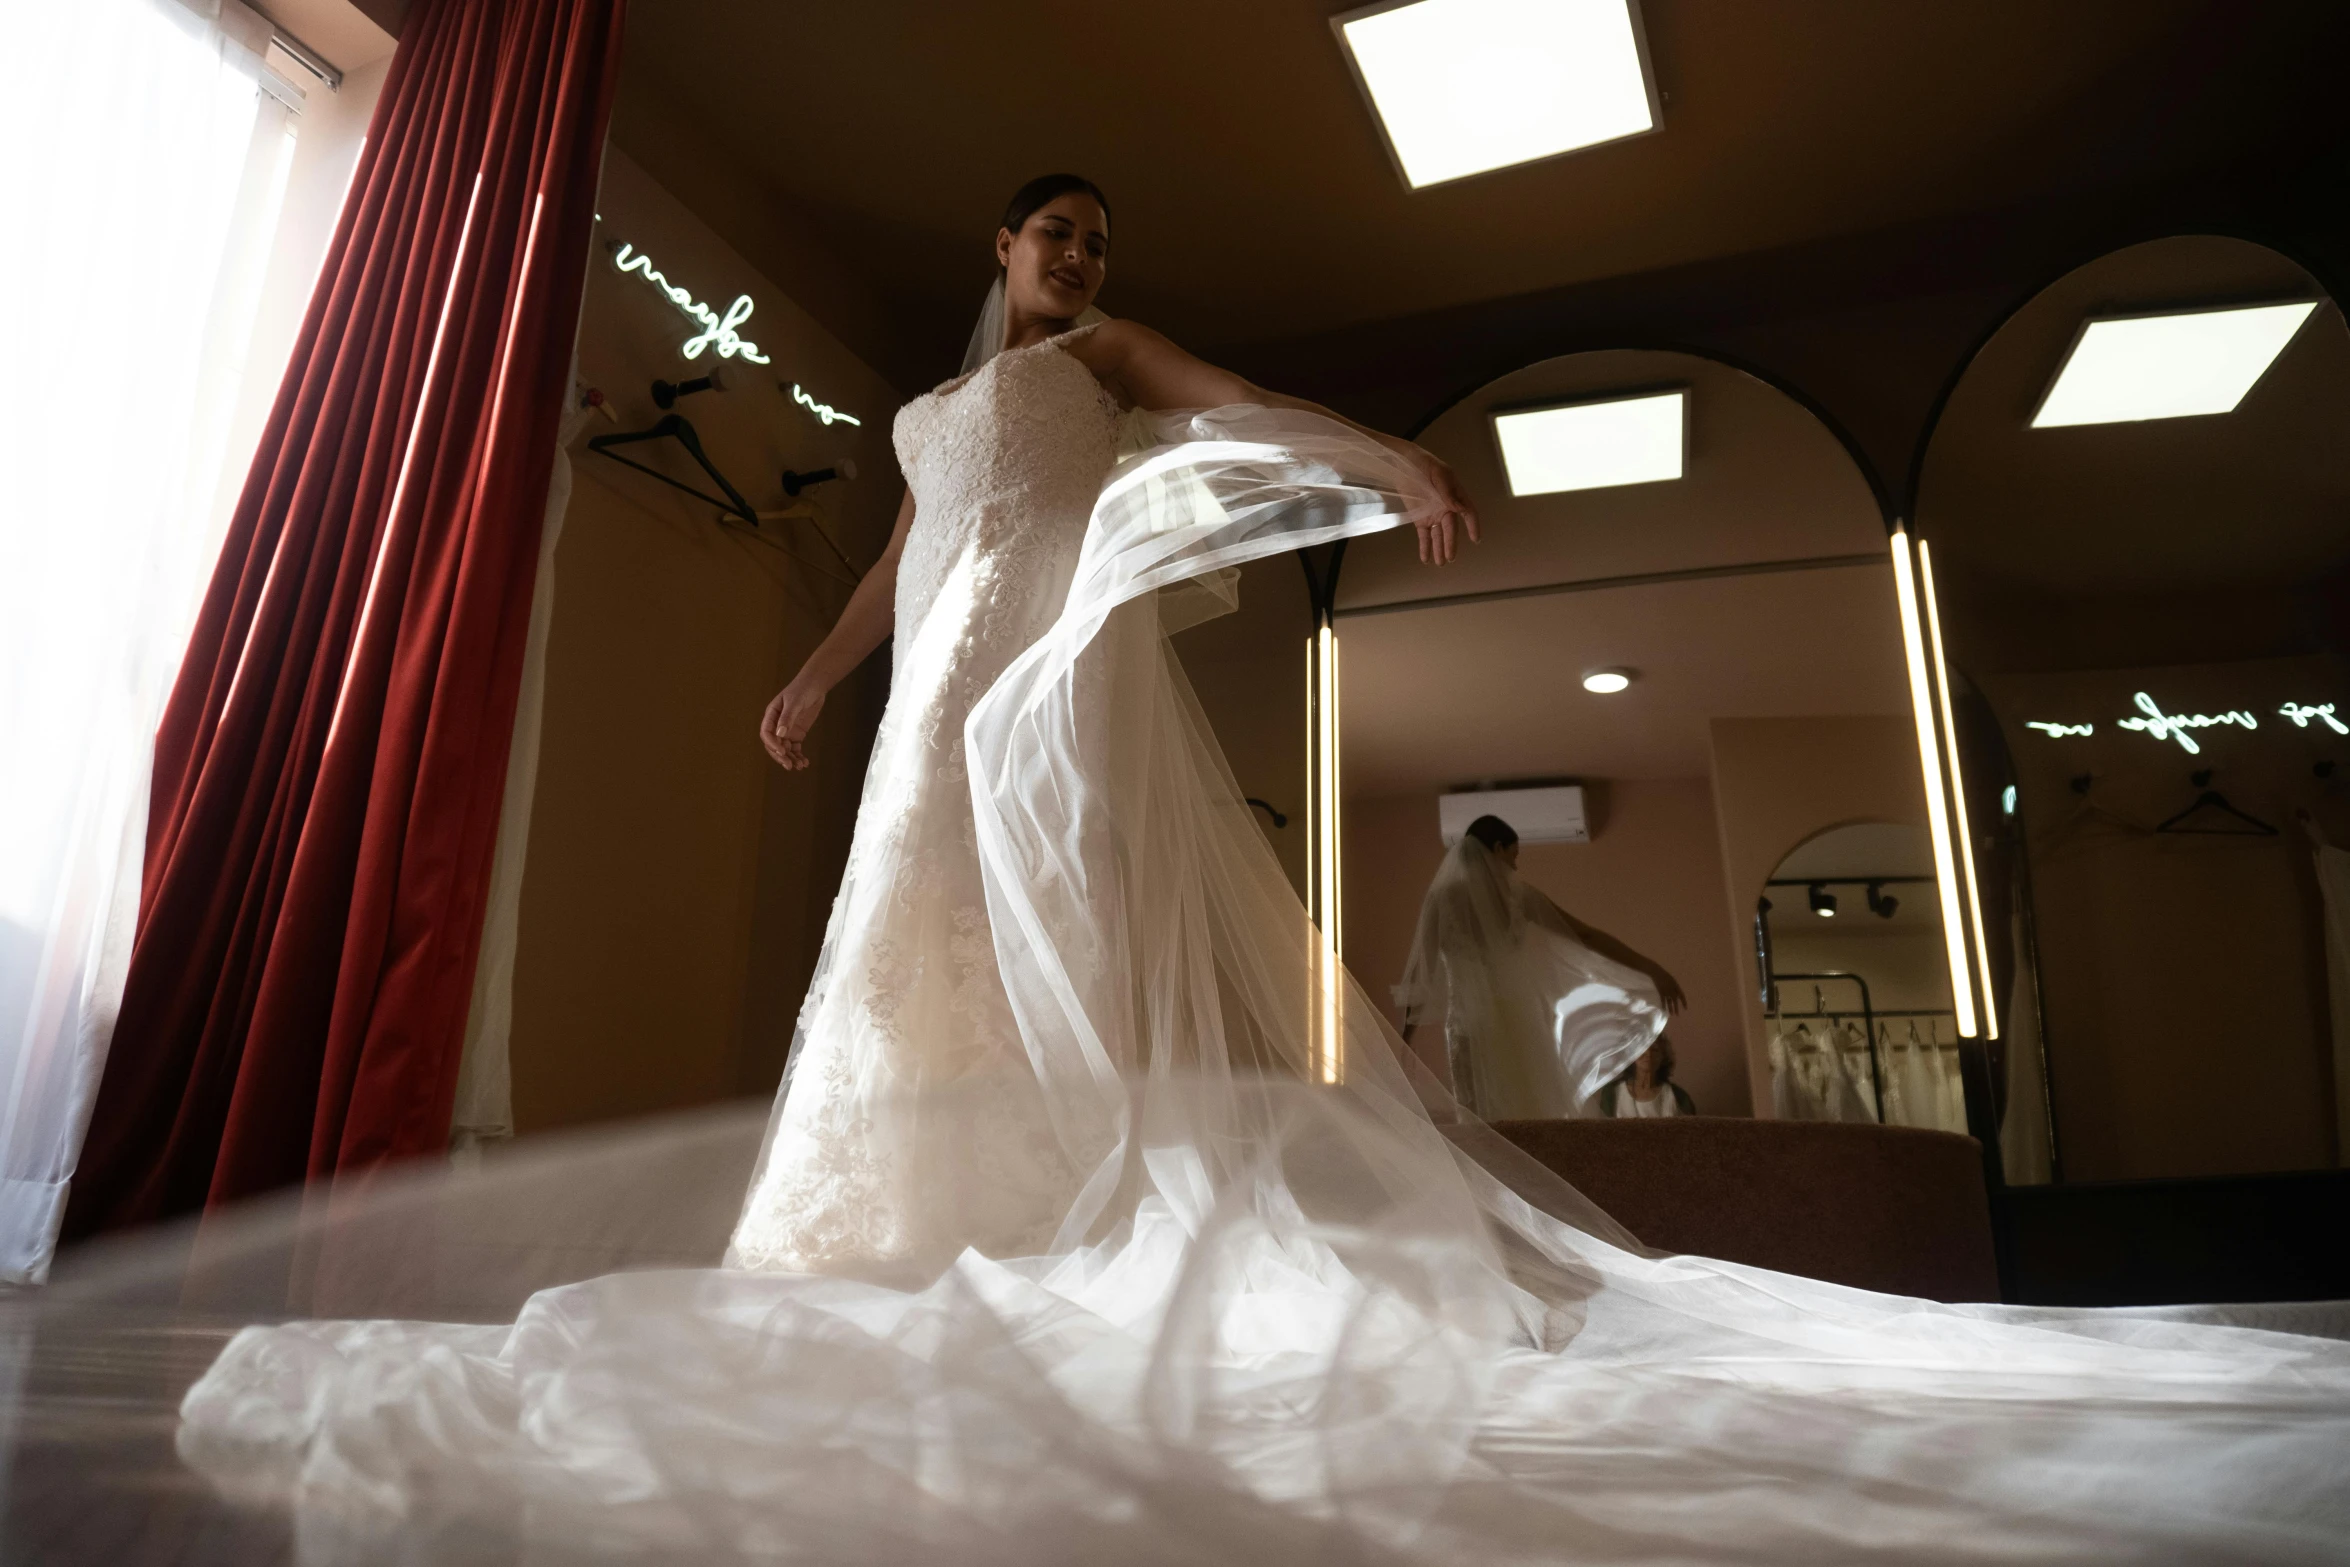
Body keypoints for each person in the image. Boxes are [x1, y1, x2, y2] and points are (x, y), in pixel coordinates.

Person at [172, 174, 2350, 1564]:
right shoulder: (946, 411)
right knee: (891, 958)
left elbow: (1239, 398)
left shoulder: (1104, 364)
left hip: (1039, 695)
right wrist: (823, 685)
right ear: (998, 248)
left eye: (1103, 244)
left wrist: (1389, 450)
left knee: (1044, 944)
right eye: (1054, 240)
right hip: (927, 689)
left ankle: (1061, 1220)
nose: (1081, 262)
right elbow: (907, 564)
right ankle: (880, 1236)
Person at [1396, 814, 1687, 1119]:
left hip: (1468, 1025)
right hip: (1519, 1023)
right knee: (1527, 1114)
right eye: (1514, 855)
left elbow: (1421, 974)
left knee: (1476, 1118)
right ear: (1497, 849)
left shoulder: (1442, 899)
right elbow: (1586, 936)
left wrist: (1406, 1039)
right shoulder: (1519, 899)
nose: (1516, 866)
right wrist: (1651, 969)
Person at [1600, 1036, 1697, 1118]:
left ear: (1663, 1057)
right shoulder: (1612, 1093)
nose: (1648, 1054)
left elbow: (1691, 1134)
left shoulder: (1678, 1096)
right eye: (1642, 1048)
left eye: (1655, 1050)